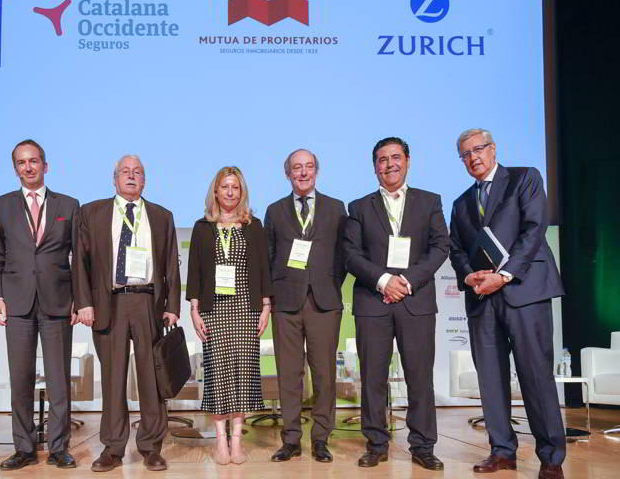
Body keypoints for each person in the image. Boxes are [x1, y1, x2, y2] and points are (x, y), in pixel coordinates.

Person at [449, 128, 565, 479]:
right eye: (465, 154)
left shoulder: (524, 178)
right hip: (483, 299)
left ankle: (551, 457)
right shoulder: (461, 203)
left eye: (478, 149)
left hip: (524, 291)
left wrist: (505, 274)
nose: (473, 157)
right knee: (491, 378)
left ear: (494, 149)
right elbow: (456, 249)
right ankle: (502, 451)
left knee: (536, 375)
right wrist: (469, 276)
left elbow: (534, 229)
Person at [341, 137, 449, 471]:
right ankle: (376, 444)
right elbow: (350, 254)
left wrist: (407, 281)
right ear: (375, 166)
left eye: (396, 157)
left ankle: (423, 446)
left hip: (415, 300)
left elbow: (440, 246)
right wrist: (384, 280)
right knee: (373, 378)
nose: (390, 164)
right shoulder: (358, 207)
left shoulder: (429, 201)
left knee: (420, 377)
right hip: (373, 302)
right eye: (382, 159)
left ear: (408, 161)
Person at [73, 155, 180, 472]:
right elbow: (80, 262)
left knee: (152, 378)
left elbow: (171, 264)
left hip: (148, 302)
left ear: (145, 180)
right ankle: (113, 448)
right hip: (109, 303)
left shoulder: (161, 215)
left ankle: (151, 447)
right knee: (113, 378)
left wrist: (172, 306)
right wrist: (83, 303)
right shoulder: (91, 212)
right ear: (114, 178)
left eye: (138, 172)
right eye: (125, 171)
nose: (131, 176)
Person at [0, 139, 80, 469]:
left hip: (58, 302)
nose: (28, 167)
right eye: (21, 162)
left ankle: (59, 448)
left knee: (59, 380)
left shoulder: (69, 205)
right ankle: (24, 448)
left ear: (45, 165)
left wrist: (79, 300)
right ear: (15, 168)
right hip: (17, 303)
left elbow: (79, 257)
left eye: (34, 161)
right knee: (20, 379)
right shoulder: (2, 205)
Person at [264, 149, 346, 463]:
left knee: (324, 374)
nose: (303, 172)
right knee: (289, 375)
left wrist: (328, 282)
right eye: (297, 168)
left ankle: (321, 439)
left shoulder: (336, 208)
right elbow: (269, 256)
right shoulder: (275, 210)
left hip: (324, 301)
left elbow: (343, 255)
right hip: (286, 302)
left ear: (316, 171)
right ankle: (291, 440)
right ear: (288, 174)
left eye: (308, 167)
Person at [186, 166, 271, 465]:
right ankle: (220, 440)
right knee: (218, 373)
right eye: (225, 187)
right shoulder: (202, 227)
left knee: (244, 374)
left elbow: (263, 269)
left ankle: (237, 440)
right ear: (216, 191)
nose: (230, 192)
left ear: (242, 191)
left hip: (246, 309)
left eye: (235, 187)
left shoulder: (253, 226)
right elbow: (194, 270)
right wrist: (194, 309)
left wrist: (266, 307)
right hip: (214, 310)